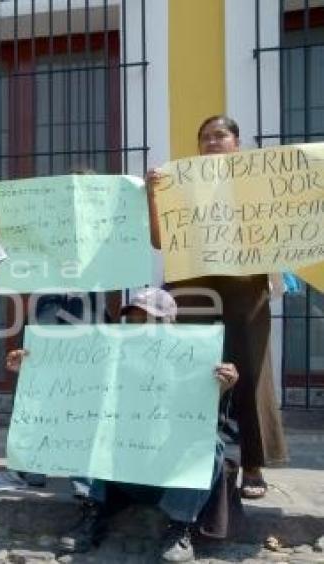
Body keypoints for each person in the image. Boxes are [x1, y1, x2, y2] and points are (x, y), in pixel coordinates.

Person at [5, 288, 241, 562]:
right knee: (88, 422)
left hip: (169, 475)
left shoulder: (194, 361)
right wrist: (32, 366)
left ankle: (179, 529)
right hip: (120, 472)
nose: (139, 327)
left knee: (211, 445)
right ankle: (92, 514)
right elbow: (69, 384)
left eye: (148, 320)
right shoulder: (109, 355)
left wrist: (223, 387)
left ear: (170, 324)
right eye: (134, 320)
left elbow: (203, 418)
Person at [145, 115, 288, 498]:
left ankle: (254, 465)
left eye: (220, 135)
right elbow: (161, 242)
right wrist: (151, 194)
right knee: (193, 366)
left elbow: (280, 229)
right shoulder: (180, 184)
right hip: (193, 282)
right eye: (204, 137)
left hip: (245, 283)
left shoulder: (258, 179)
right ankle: (189, 458)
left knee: (251, 369)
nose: (211, 142)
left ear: (236, 143)